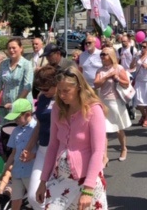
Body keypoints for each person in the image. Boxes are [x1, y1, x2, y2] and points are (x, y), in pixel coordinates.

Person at [36, 66, 107, 209]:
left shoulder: (93, 109)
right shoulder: (57, 108)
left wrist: (88, 188)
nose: (61, 95)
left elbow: (98, 151)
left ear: (78, 87)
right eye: (59, 90)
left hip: (86, 180)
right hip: (60, 180)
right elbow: (53, 146)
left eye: (66, 91)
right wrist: (43, 181)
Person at [21, 65, 58, 210]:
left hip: (60, 151)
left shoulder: (65, 98)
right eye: (40, 89)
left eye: (46, 88)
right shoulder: (42, 97)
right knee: (33, 197)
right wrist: (28, 147)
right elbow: (39, 125)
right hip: (43, 149)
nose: (43, 92)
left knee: (57, 196)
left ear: (56, 83)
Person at [94, 46, 131, 163]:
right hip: (103, 101)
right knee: (103, 129)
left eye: (104, 54)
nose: (102, 56)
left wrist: (117, 78)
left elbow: (126, 83)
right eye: (101, 54)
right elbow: (96, 84)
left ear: (111, 56)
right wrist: (107, 76)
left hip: (115, 101)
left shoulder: (119, 68)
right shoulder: (100, 70)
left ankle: (123, 148)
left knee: (118, 128)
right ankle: (104, 156)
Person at [3, 99, 37, 210]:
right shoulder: (16, 131)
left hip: (30, 172)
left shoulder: (36, 128)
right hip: (17, 171)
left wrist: (33, 155)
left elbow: (43, 151)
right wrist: (5, 168)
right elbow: (13, 153)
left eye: (17, 118)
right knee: (16, 198)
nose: (16, 121)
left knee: (35, 199)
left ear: (28, 114)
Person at [0, 38, 34, 113]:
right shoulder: (3, 64)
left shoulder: (27, 64)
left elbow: (27, 87)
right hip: (6, 105)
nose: (11, 50)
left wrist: (15, 104)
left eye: (14, 48)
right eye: (9, 48)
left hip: (22, 105)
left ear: (20, 48)